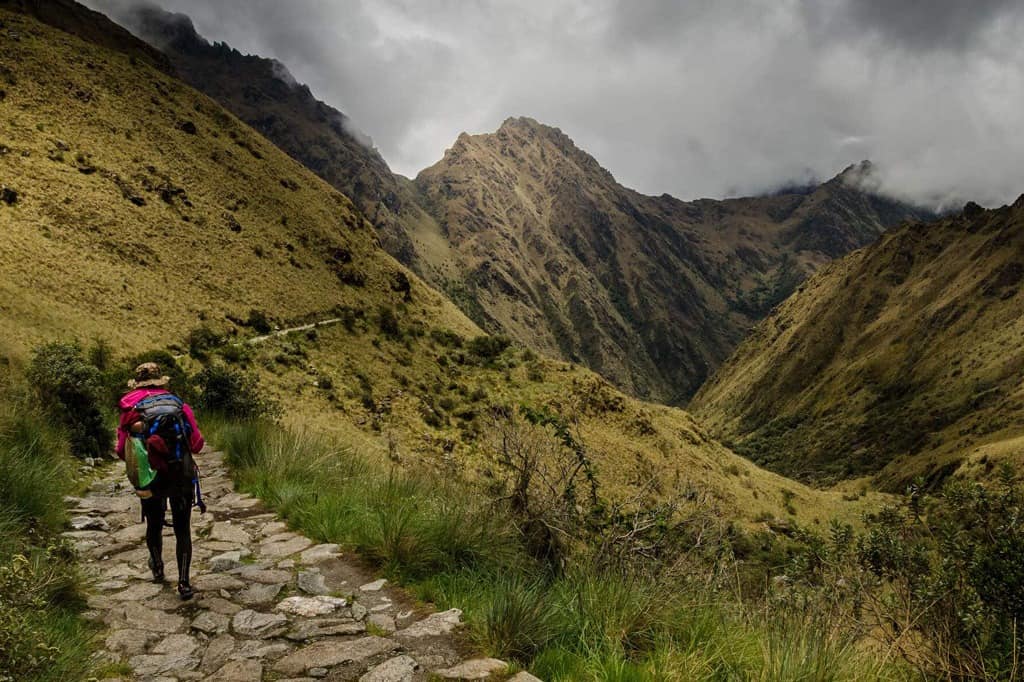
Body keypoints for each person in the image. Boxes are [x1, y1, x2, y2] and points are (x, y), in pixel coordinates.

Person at [116, 362, 205, 600]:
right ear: (161, 382)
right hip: (180, 474)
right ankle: (184, 583)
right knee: (182, 528)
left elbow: (119, 450)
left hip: (151, 475)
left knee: (154, 523)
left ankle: (157, 567)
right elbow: (197, 443)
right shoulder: (178, 405)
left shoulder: (131, 409)